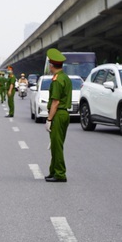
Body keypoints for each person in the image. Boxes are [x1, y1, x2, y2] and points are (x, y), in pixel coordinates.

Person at [44, 49, 72, 182]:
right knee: (55, 144)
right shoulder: (65, 77)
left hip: (58, 115)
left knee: (57, 145)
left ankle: (60, 174)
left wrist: (49, 119)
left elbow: (55, 102)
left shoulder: (57, 80)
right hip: (64, 114)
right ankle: (53, 171)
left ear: (51, 65)